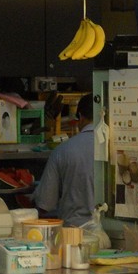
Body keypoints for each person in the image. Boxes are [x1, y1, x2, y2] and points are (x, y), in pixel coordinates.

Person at [34, 94, 96, 228]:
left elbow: (45, 204)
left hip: (74, 235)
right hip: (116, 233)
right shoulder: (119, 149)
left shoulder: (62, 151)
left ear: (80, 116)